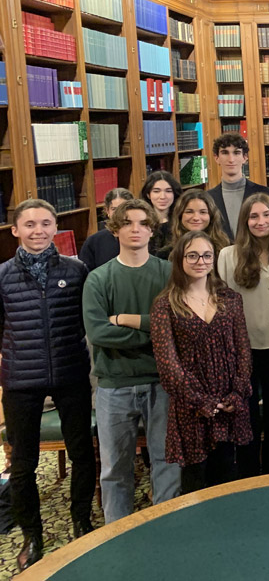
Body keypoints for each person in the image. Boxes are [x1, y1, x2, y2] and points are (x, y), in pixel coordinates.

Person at [1, 200, 96, 570]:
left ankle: (80, 520)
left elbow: (86, 320)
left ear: (56, 227)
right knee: (23, 464)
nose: (38, 231)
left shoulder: (76, 271)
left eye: (45, 223)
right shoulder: (2, 275)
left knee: (81, 453)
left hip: (71, 372)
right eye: (29, 225)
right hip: (21, 380)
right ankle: (32, 534)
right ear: (16, 230)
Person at [82, 198, 180, 523]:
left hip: (161, 381)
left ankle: (165, 526)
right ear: (115, 229)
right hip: (114, 385)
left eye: (142, 223)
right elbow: (98, 334)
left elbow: (178, 324)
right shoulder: (98, 279)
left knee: (166, 461)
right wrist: (155, 330)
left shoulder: (168, 273)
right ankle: (118, 534)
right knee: (114, 469)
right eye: (127, 223)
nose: (135, 229)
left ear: (152, 230)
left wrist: (125, 319)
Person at [150, 231, 252, 494]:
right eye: (192, 255)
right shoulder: (165, 305)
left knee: (228, 477)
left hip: (229, 403)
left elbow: (243, 351)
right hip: (191, 407)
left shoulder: (231, 299)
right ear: (180, 259)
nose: (200, 261)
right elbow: (168, 365)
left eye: (207, 255)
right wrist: (201, 401)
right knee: (195, 481)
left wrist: (237, 393)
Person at [217, 193, 269, 476]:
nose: (261, 222)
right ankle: (248, 476)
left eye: (266, 215)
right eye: (254, 216)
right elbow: (220, 307)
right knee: (245, 418)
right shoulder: (228, 255)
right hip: (241, 351)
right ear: (244, 221)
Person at [207, 133, 269, 241]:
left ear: (245, 157)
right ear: (216, 158)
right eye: (225, 153)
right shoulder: (208, 198)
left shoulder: (265, 193)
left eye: (236, 153)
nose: (231, 159)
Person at [156, 189, 231, 260]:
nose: (196, 218)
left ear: (211, 216)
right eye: (189, 212)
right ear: (180, 215)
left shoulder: (227, 250)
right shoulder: (165, 255)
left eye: (202, 212)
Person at [79, 187, 132, 270]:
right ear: (107, 211)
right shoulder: (94, 242)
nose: (119, 213)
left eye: (123, 208)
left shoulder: (142, 236)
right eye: (114, 209)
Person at [142, 170, 182, 255]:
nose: (163, 197)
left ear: (174, 194)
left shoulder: (182, 221)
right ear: (148, 195)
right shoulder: (141, 222)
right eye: (156, 191)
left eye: (168, 191)